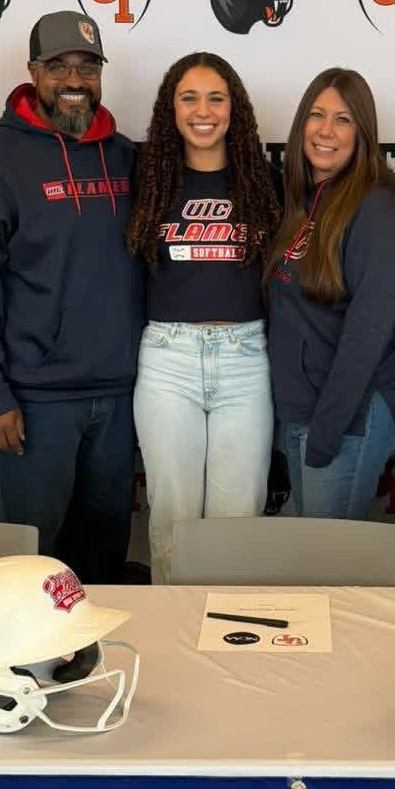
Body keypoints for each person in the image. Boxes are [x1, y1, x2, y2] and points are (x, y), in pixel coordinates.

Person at [0, 11, 143, 582]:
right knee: (32, 570)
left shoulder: (128, 157)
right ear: (33, 72)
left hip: (120, 397)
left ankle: (99, 669)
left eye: (87, 65)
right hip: (33, 404)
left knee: (103, 561)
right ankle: (30, 674)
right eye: (58, 66)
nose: (74, 79)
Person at [125, 53, 280, 582]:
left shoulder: (263, 181)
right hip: (169, 359)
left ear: (235, 109)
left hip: (245, 359)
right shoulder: (146, 178)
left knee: (237, 530)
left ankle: (228, 651)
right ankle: (175, 647)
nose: (203, 110)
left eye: (216, 97)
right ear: (171, 109)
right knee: (172, 526)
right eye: (189, 97)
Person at [266, 68, 395, 520]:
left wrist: (328, 429)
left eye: (343, 120)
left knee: (328, 567)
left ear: (362, 133)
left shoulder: (375, 206)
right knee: (307, 562)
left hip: (349, 417)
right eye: (316, 115)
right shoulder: (300, 201)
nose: (326, 131)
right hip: (302, 412)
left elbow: (369, 329)